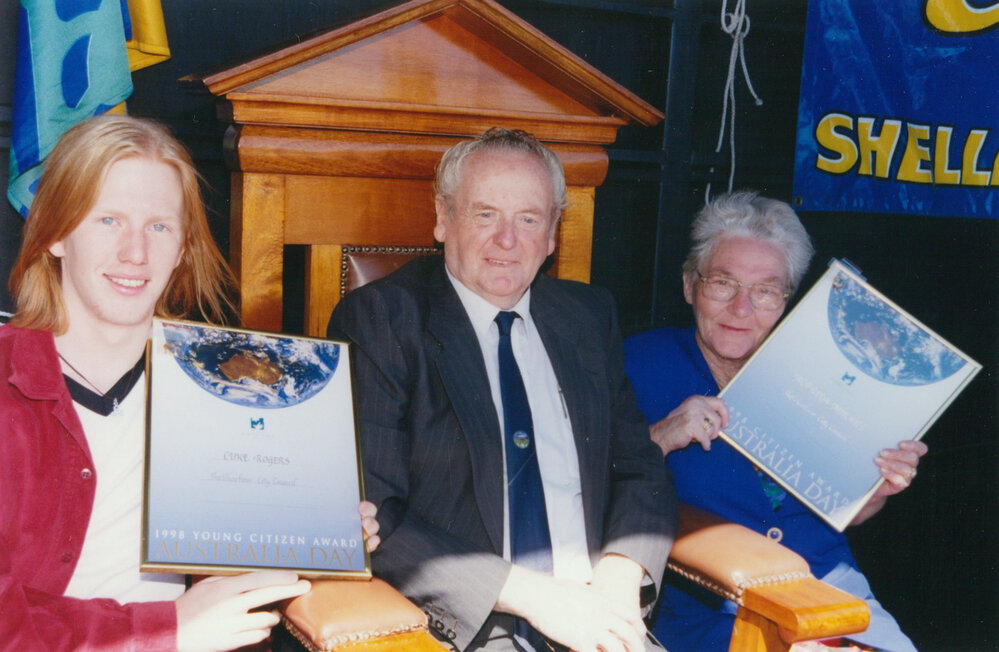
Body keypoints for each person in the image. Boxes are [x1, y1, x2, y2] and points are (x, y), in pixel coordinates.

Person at [0, 115, 380, 651]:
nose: (135, 252)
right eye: (108, 220)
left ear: (182, 249)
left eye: (159, 226)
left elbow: (231, 562)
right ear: (56, 234)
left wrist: (319, 532)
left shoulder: (228, 390)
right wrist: (168, 628)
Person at [328, 127, 676, 652]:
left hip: (601, 612)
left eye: (529, 219)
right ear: (443, 218)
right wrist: (540, 599)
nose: (507, 240)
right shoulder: (383, 320)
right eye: (485, 214)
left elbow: (640, 466)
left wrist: (621, 576)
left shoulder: (586, 317)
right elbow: (376, 516)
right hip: (473, 624)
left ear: (553, 234)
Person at [623, 191, 925, 652]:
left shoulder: (822, 378)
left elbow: (847, 514)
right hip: (706, 604)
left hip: (829, 592)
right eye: (723, 282)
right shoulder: (636, 363)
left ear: (785, 301)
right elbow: (583, 485)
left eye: (765, 291)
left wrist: (875, 488)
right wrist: (660, 436)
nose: (741, 308)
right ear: (689, 285)